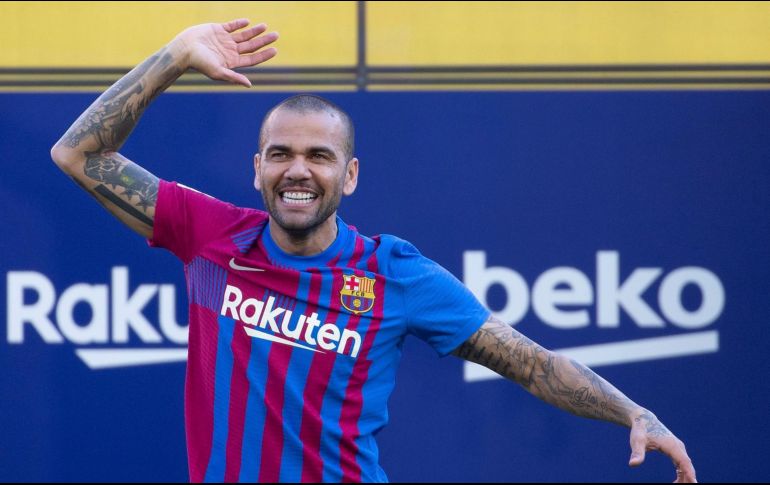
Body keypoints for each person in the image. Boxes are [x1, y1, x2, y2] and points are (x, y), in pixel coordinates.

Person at [50, 19, 697, 483]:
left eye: (318, 156)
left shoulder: (395, 273)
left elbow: (530, 362)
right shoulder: (211, 233)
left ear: (350, 175)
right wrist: (174, 55)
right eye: (280, 154)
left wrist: (634, 411)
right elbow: (77, 154)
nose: (297, 170)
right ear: (256, 169)